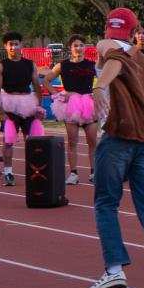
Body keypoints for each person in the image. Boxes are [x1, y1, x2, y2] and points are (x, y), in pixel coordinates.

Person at [81, 7, 144, 288]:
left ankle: (113, 269)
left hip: (118, 136)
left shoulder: (105, 45)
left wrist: (99, 86)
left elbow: (114, 58)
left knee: (106, 203)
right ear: (135, 30)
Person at [0, 31, 44, 187]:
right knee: (8, 140)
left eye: (16, 43)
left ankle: (35, 170)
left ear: (21, 45)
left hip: (27, 103)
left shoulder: (30, 64)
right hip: (9, 104)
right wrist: (0, 112)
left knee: (32, 140)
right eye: (10, 44)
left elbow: (36, 86)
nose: (14, 47)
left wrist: (39, 106)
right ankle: (8, 173)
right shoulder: (1, 66)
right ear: (5, 47)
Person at [47, 36, 99, 185]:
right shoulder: (62, 65)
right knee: (72, 141)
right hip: (70, 106)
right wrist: (57, 95)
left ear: (85, 47)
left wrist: (97, 91)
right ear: (70, 48)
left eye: (81, 45)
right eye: (75, 45)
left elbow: (104, 80)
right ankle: (73, 173)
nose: (79, 48)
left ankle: (94, 172)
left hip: (89, 104)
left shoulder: (92, 65)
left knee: (93, 141)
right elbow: (46, 80)